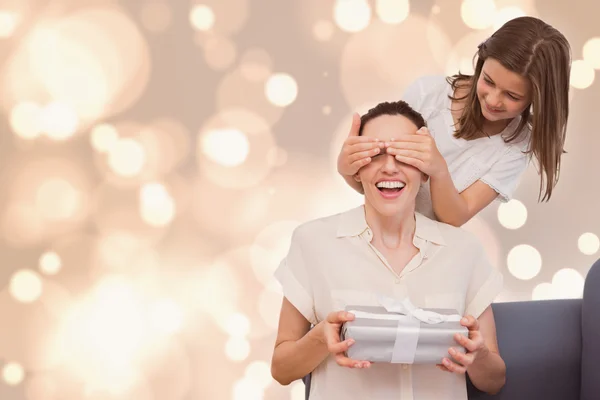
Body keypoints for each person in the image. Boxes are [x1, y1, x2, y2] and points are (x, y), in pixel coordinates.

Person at [271, 101, 506, 399]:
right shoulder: (313, 242)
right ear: (356, 169)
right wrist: (320, 339)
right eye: (376, 154)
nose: (390, 166)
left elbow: (494, 381)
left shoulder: (464, 251)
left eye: (406, 154)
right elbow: (281, 370)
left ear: (425, 171)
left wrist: (479, 355)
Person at [337, 16, 571, 226]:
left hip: (432, 250)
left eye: (512, 96)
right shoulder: (428, 95)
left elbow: (454, 217)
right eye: (488, 81)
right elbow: (376, 184)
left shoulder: (516, 147)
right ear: (481, 63)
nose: (493, 100)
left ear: (538, 99)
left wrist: (438, 169)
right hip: (380, 231)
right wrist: (346, 168)